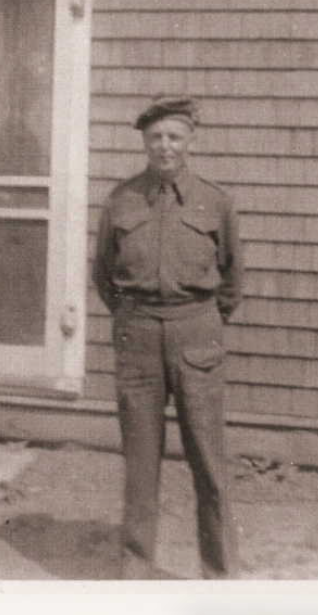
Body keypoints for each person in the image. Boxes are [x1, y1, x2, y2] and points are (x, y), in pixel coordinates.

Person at [92, 95, 245, 579]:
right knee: (140, 463)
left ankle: (219, 577)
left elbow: (232, 280)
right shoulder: (121, 200)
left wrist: (198, 319)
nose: (165, 146)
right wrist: (135, 317)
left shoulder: (215, 202)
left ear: (190, 141)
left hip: (196, 334)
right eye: (156, 137)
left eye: (174, 137)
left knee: (208, 460)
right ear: (144, 141)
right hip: (138, 336)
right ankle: (136, 573)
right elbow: (104, 276)